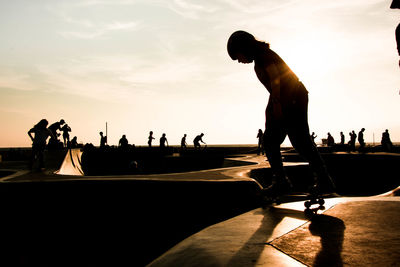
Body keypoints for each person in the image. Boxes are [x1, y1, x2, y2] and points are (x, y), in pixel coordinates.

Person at [227, 30, 335, 195]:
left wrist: (277, 103)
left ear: (244, 47)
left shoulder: (263, 55)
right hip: (286, 96)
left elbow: (275, 77)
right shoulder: (260, 56)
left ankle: (322, 181)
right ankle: (282, 181)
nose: (239, 61)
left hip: (291, 96)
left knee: (300, 141)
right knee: (271, 141)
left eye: (237, 56)